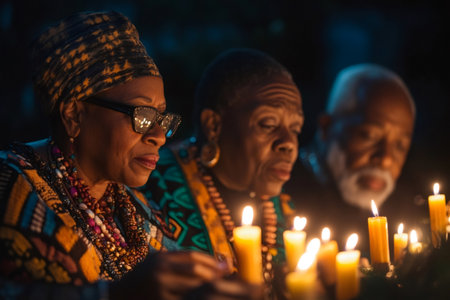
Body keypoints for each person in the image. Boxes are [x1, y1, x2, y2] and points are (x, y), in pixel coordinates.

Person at [0, 11, 260, 300]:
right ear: (74, 115)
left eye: (162, 119)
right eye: (142, 115)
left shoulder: (132, 207)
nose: (159, 136)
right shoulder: (10, 184)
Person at [139, 48, 304, 297]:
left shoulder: (282, 210)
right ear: (213, 125)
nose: (288, 143)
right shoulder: (153, 186)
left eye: (296, 129)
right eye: (268, 124)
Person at [285, 63, 427, 259]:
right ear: (326, 128)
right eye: (369, 136)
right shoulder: (282, 195)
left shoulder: (410, 204)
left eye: (400, 146)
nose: (385, 159)